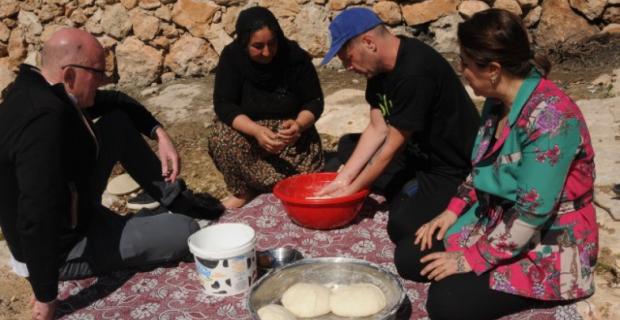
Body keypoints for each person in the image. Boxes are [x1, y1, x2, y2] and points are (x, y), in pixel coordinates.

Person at [0, 28, 222, 320]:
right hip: (62, 246)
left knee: (116, 123)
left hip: (74, 205)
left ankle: (172, 201)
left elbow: (116, 101)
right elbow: (35, 212)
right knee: (186, 231)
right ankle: (154, 223)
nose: (105, 81)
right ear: (69, 75)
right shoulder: (44, 121)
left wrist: (159, 133)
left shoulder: (41, 88)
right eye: (99, 73)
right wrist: (46, 295)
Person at [394, 9, 598, 319]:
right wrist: (452, 211)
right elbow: (481, 167)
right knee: (409, 257)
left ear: (493, 69)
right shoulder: (496, 103)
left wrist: (471, 259)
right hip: (497, 218)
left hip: (548, 237)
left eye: (465, 63)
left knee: (446, 301)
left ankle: (545, 289)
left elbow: (533, 212)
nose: (461, 70)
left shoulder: (552, 121)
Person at [319, 8, 480, 244]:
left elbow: (390, 147)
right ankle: (404, 188)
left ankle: (418, 194)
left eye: (348, 58)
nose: (347, 67)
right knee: (345, 148)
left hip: (450, 167)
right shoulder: (378, 70)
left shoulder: (415, 71)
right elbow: (377, 128)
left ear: (369, 43)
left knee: (401, 225)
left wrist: (349, 193)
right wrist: (344, 179)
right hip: (415, 151)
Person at [207, 6, 324, 209]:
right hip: (250, 136)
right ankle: (243, 191)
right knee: (220, 137)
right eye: (258, 46)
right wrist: (257, 131)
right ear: (244, 43)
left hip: (291, 140)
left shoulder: (294, 57)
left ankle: (277, 183)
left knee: (305, 184)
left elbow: (314, 100)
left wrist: (298, 125)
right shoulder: (232, 58)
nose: (267, 52)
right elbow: (224, 104)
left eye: (272, 43)